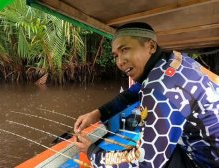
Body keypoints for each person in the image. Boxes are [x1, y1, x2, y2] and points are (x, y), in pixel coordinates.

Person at [73, 22, 219, 168]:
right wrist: (97, 114)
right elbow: (132, 93)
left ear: (151, 46)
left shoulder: (158, 90)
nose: (120, 62)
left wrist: (92, 152)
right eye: (116, 56)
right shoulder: (173, 60)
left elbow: (145, 162)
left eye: (125, 49)